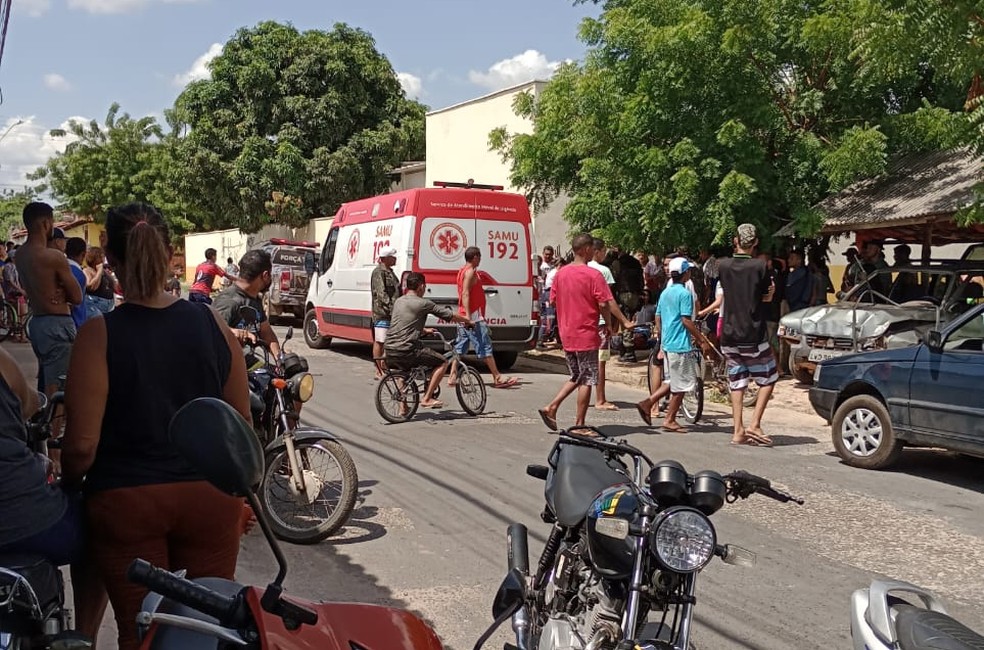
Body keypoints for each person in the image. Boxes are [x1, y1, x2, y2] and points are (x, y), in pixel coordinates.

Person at [61, 202, 251, 650]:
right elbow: (239, 424)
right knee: (205, 630)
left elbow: (82, 447)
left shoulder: (97, 334)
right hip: (209, 500)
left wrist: (69, 485)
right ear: (170, 255)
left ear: (111, 260)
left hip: (127, 503)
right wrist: (241, 498)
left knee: (140, 630)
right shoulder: (211, 323)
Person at [0, 346, 107, 640]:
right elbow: (31, 404)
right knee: (99, 527)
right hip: (28, 522)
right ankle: (85, 635)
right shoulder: (3, 362)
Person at [537, 234, 631, 431]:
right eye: (590, 248)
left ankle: (552, 407)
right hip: (586, 332)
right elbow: (604, 302)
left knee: (577, 375)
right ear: (585, 249)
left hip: (566, 332)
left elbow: (552, 301)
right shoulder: (593, 275)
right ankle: (579, 424)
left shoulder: (560, 273)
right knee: (587, 378)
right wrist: (612, 321)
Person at [717, 224, 778, 447]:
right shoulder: (759, 266)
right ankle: (755, 424)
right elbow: (765, 297)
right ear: (755, 243)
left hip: (729, 333)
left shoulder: (722, 265)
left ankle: (738, 430)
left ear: (735, 241)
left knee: (737, 381)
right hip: (752, 332)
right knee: (769, 377)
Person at [14, 202, 83, 395]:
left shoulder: (20, 255)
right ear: (45, 223)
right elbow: (77, 297)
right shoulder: (53, 257)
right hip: (57, 322)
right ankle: (54, 425)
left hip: (38, 322)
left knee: (48, 376)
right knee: (59, 383)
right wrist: (62, 289)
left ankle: (46, 419)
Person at [635, 258, 707, 430]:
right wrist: (701, 338)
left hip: (668, 344)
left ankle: (648, 403)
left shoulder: (665, 293)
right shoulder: (684, 294)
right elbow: (686, 320)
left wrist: (662, 337)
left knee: (673, 381)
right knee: (682, 384)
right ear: (685, 274)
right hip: (680, 344)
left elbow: (658, 317)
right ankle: (670, 419)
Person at [384, 272, 472, 409]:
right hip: (407, 349)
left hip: (389, 348)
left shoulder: (399, 301)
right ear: (421, 286)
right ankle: (427, 398)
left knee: (404, 371)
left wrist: (424, 330)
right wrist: (467, 320)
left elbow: (403, 323)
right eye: (425, 286)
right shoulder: (424, 303)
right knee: (443, 362)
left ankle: (403, 406)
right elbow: (448, 315)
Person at [450, 246, 518, 388]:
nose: (480, 259)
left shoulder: (463, 271)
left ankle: (452, 375)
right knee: (485, 346)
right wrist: (469, 317)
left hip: (464, 314)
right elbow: (466, 294)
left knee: (460, 346)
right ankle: (497, 377)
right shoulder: (470, 272)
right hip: (473, 316)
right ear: (475, 257)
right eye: (479, 257)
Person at [589, 238, 632, 410]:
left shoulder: (579, 269)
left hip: (583, 323)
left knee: (585, 362)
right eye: (604, 251)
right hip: (599, 323)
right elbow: (607, 300)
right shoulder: (603, 271)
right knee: (601, 361)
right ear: (597, 251)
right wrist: (620, 321)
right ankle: (600, 399)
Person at [213, 249, 281, 355]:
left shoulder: (254, 299)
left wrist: (281, 360)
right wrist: (234, 332)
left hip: (247, 362)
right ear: (265, 275)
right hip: (227, 366)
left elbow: (266, 333)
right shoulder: (228, 301)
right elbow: (212, 331)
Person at [610, 246, 645, 362]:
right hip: (635, 295)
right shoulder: (635, 262)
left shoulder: (618, 263)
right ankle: (626, 350)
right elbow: (641, 280)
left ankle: (628, 352)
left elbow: (613, 280)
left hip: (623, 294)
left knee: (625, 323)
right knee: (629, 321)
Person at [370, 246, 400, 379]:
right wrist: (391, 306)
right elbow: (381, 293)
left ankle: (384, 366)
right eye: (393, 256)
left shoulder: (390, 272)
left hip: (392, 313)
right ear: (386, 258)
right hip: (382, 312)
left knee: (388, 341)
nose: (395, 258)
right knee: (380, 341)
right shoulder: (379, 272)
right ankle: (378, 370)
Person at [2, 249, 28, 342]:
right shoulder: (8, 267)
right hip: (11, 293)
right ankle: (15, 335)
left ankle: (22, 335)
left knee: (22, 314)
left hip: (18, 292)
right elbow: (10, 281)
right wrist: (19, 289)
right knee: (14, 315)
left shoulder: (17, 267)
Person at [83, 247, 117, 317]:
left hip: (109, 305)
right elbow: (91, 287)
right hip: (96, 305)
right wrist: (99, 272)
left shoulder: (102, 271)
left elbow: (113, 284)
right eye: (101, 256)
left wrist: (105, 272)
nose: (103, 259)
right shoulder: (87, 270)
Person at [65, 237, 89, 330]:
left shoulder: (61, 268)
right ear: (83, 254)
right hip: (75, 322)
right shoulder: (77, 274)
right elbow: (72, 302)